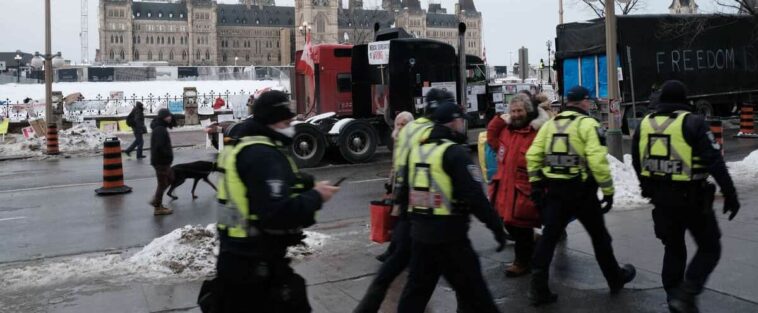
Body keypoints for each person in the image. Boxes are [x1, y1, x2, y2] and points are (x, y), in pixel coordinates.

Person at [211, 90, 340, 313]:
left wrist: (303, 182)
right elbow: (278, 213)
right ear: (274, 120)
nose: (291, 126)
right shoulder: (263, 155)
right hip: (256, 265)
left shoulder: (244, 146)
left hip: (237, 258)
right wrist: (316, 196)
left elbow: (256, 190)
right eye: (287, 121)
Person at [631, 80, 740, 313]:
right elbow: (715, 162)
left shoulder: (644, 124)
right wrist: (730, 194)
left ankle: (673, 297)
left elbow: (635, 159)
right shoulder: (693, 123)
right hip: (692, 199)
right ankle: (687, 293)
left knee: (673, 248)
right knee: (710, 248)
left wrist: (646, 187)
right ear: (684, 100)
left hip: (660, 200)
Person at [525, 86, 636, 305]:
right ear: (583, 102)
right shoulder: (588, 125)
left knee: (549, 238)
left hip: (555, 191)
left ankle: (538, 288)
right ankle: (614, 278)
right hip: (582, 192)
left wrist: (537, 186)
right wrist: (608, 191)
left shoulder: (550, 125)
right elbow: (597, 160)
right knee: (599, 237)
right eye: (588, 101)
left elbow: (532, 155)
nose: (589, 104)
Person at [396, 99, 506, 313]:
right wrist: (496, 227)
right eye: (460, 121)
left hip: (421, 236)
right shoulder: (454, 153)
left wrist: (408, 225)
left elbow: (403, 194)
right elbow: (475, 196)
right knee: (477, 294)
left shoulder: (417, 151)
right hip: (450, 238)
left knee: (415, 293)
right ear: (454, 123)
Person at [353, 91, 448, 313]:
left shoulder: (410, 133)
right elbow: (403, 167)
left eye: (404, 122)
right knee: (444, 273)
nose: (402, 125)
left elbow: (403, 166)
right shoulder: (429, 132)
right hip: (429, 213)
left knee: (401, 266)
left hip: (414, 207)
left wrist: (401, 196)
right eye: (399, 123)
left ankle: (368, 306)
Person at [487, 94, 550, 277]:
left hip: (525, 190)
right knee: (510, 224)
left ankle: (522, 262)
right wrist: (500, 119)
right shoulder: (507, 131)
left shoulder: (536, 132)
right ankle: (531, 244)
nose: (516, 115)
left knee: (520, 227)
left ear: (528, 111)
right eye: (513, 111)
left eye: (519, 110)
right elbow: (491, 137)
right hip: (506, 188)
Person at [375, 111, 415, 263]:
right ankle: (397, 251)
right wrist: (389, 183)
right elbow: (395, 164)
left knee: (402, 221)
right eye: (398, 124)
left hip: (408, 189)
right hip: (399, 187)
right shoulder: (398, 141)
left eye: (403, 124)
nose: (399, 127)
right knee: (401, 221)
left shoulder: (412, 142)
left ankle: (394, 252)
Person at [149, 109, 175, 215]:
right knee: (163, 183)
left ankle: (156, 200)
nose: (170, 118)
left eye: (170, 115)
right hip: (161, 162)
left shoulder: (161, 127)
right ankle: (157, 207)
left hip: (161, 161)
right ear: (163, 117)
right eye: (167, 116)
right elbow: (159, 146)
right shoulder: (160, 129)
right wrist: (167, 155)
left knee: (170, 178)